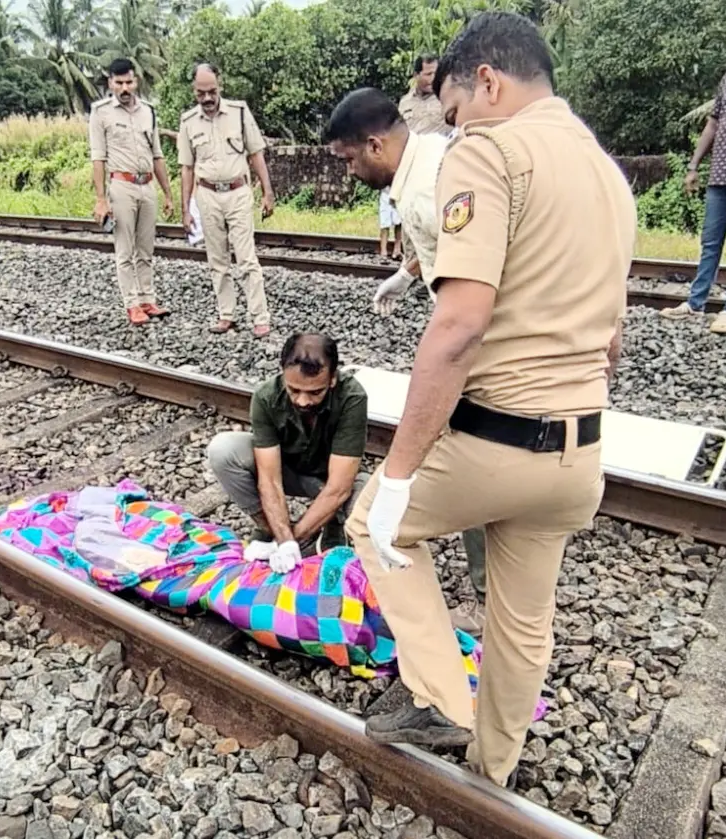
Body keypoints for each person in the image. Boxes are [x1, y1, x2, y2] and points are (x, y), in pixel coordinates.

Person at [344, 11, 635, 789]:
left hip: (500, 437)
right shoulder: (608, 175)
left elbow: (460, 325)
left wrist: (399, 472)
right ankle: (493, 776)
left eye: (456, 107)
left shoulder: (491, 153)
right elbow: (613, 339)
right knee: (520, 624)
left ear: (489, 80)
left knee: (374, 524)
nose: (453, 126)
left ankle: (438, 695)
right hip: (580, 455)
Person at [323, 87, 487, 636]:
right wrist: (406, 275)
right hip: (477, 329)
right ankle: (487, 572)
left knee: (465, 445)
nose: (349, 173)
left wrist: (440, 364)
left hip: (481, 340)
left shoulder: (422, 188)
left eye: (348, 160)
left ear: (373, 144)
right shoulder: (430, 159)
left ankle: (463, 589)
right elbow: (439, 245)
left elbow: (467, 287)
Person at [207, 333, 370, 570]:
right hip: (288, 472)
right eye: (294, 390)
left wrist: (292, 540)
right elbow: (270, 480)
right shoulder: (266, 396)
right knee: (223, 450)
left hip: (333, 479)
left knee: (369, 504)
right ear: (282, 373)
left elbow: (339, 487)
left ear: (333, 379)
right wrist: (284, 541)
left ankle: (333, 524)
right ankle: (268, 528)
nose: (303, 401)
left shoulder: (352, 397)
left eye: (315, 392)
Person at [178, 63, 275, 338]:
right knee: (217, 260)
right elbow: (186, 168)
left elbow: (256, 155)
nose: (207, 99)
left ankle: (259, 316)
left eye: (212, 92)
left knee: (246, 259)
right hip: (206, 195)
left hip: (238, 192)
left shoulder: (240, 112)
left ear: (219, 86)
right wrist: (185, 210)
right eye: (201, 93)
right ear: (194, 91)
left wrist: (268, 193)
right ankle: (226, 314)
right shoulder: (188, 122)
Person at [89, 58, 174, 327]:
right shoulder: (100, 112)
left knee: (146, 249)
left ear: (135, 81)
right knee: (125, 250)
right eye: (119, 83)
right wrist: (101, 199)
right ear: (111, 83)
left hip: (146, 185)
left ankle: (148, 299)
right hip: (121, 185)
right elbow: (98, 158)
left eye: (129, 82)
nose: (125, 88)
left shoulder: (148, 111)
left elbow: (157, 155)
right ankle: (132, 304)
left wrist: (168, 194)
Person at [660, 64, 726, 333]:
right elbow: (713, 123)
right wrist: (693, 166)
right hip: (720, 175)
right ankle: (696, 302)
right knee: (710, 241)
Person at [398, 53, 452, 136]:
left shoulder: (447, 97)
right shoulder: (405, 102)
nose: (433, 78)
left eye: (436, 73)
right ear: (416, 75)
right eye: (428, 74)